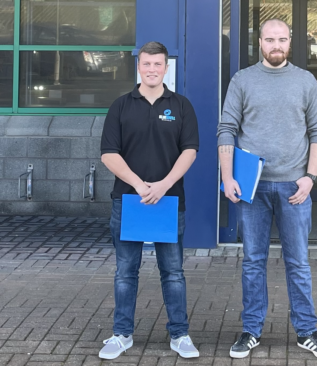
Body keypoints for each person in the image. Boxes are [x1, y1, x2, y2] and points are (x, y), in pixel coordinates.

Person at [217, 19, 317, 361]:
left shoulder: (305, 80)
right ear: (260, 42)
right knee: (253, 261)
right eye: (270, 39)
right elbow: (226, 129)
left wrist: (310, 177)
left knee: (297, 262)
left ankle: (307, 331)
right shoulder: (242, 80)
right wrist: (227, 177)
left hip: (294, 187)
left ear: (290, 42)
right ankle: (251, 330)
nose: (276, 45)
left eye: (282, 39)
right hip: (253, 188)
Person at [99, 41, 200, 360]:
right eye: (147, 64)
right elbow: (108, 154)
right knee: (125, 272)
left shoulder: (182, 105)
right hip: (128, 202)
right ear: (138, 66)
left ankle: (180, 335)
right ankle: (122, 334)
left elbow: (190, 150)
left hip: (169, 202)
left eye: (158, 64)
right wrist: (139, 185)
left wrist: (164, 185)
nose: (152, 69)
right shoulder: (120, 106)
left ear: (166, 68)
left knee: (173, 272)